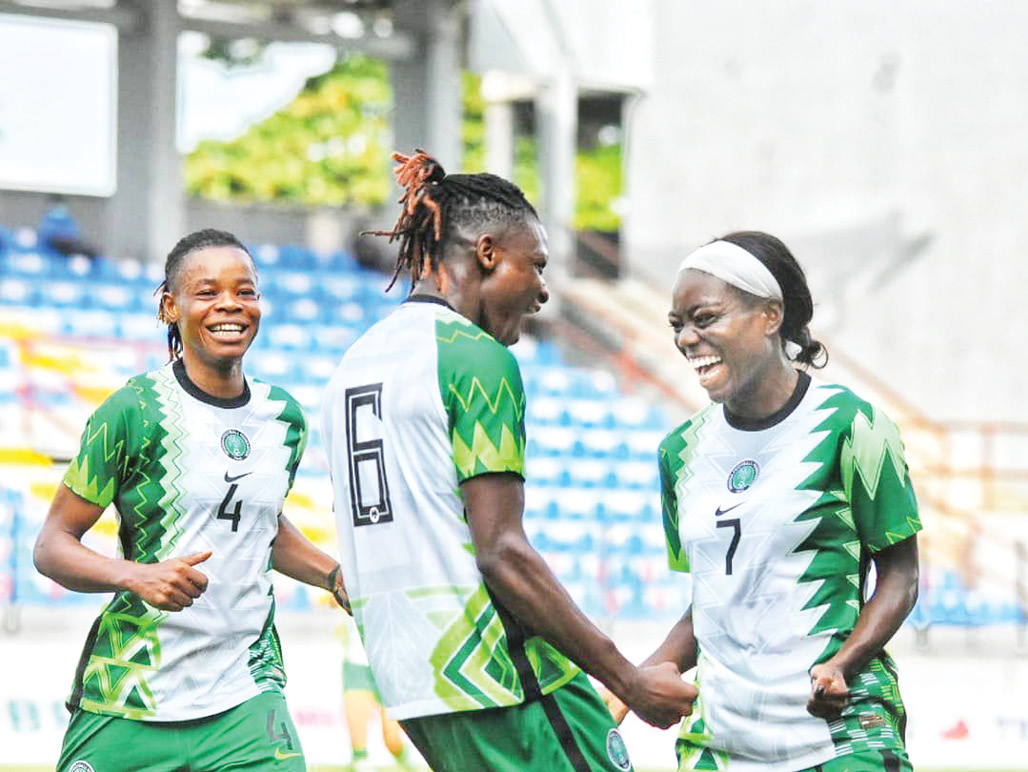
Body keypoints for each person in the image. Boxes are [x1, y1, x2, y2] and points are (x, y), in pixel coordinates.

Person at [321, 149, 696, 772]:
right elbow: (502, 551)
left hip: (414, 681)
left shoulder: (355, 363)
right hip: (500, 675)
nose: (544, 290)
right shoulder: (475, 357)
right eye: (537, 266)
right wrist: (626, 678)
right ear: (488, 253)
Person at [33, 228, 350, 772]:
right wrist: (137, 576)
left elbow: (258, 526)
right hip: (130, 693)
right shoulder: (133, 410)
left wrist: (333, 576)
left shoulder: (284, 419)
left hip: (246, 693)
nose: (230, 304)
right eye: (207, 292)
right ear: (169, 306)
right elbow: (52, 546)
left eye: (245, 291)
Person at [603, 231, 921, 772]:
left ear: (770, 315)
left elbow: (902, 575)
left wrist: (843, 664)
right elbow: (711, 602)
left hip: (842, 735)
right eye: (678, 325)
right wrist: (628, 686)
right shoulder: (679, 453)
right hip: (720, 742)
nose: (687, 339)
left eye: (705, 318)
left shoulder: (853, 424)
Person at [339, 614, 414, 771]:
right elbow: (331, 600)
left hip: (391, 662)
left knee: (392, 741)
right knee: (359, 751)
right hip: (356, 661)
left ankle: (410, 764)